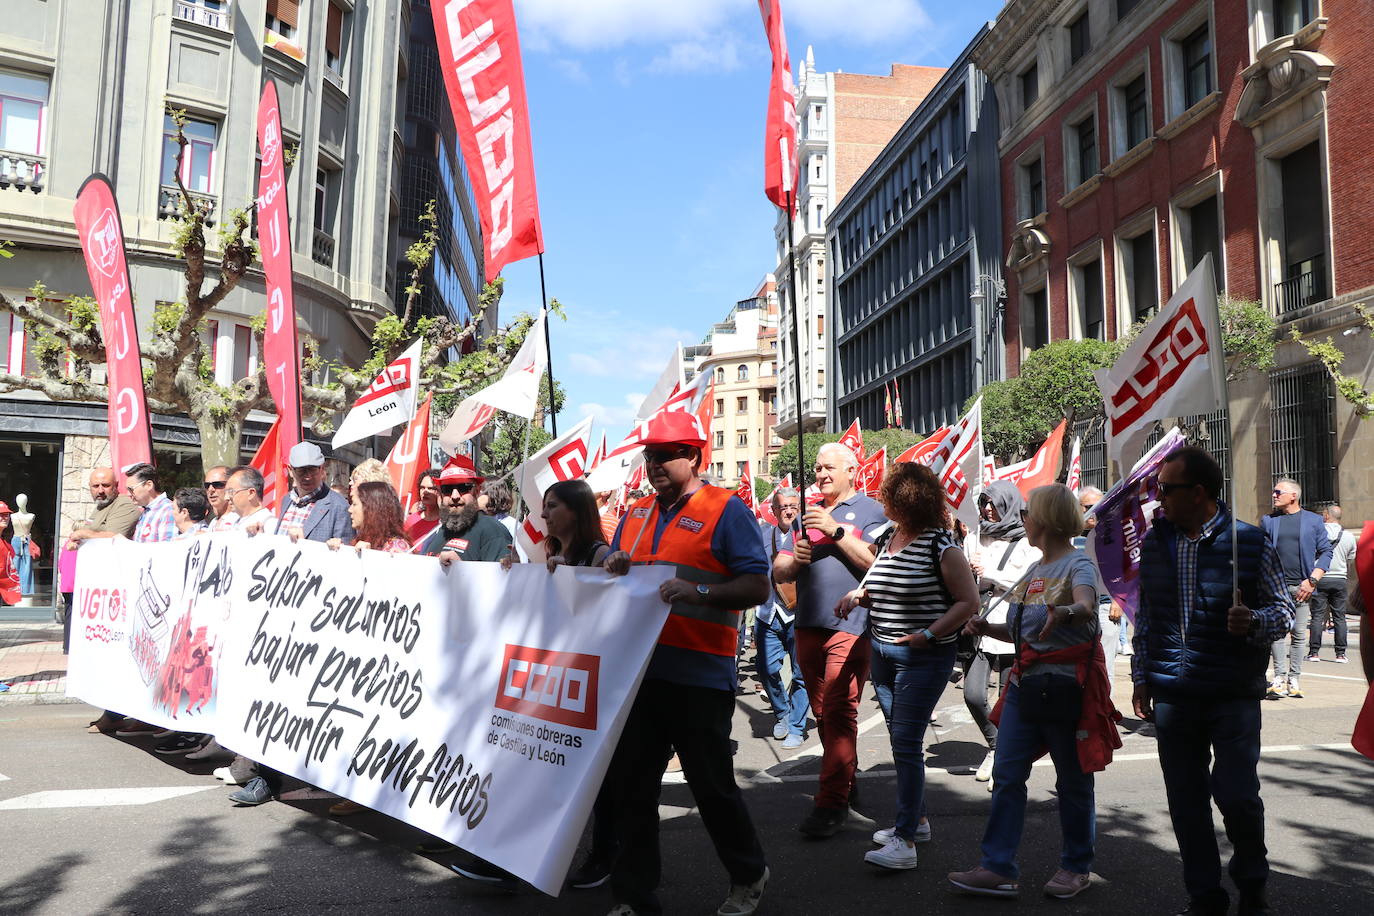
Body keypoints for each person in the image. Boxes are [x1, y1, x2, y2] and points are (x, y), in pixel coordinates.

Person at [601, 411, 770, 916]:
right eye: (649, 455)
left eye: (665, 455)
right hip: (639, 677)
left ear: (694, 456)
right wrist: (612, 567)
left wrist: (697, 590)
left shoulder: (727, 509)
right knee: (633, 790)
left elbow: (757, 586)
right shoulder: (632, 516)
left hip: (700, 675)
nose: (653, 464)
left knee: (711, 788)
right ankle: (633, 894)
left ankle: (748, 873)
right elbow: (613, 580)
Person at [1130, 448, 1294, 916]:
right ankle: (1205, 896)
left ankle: (1252, 882)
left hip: (1231, 692)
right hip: (1173, 693)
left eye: (1166, 490)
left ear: (1198, 493)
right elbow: (1146, 617)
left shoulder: (1250, 543)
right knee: (1186, 803)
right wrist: (1142, 675)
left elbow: (1283, 611)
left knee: (1237, 795)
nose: (1159, 499)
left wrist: (1255, 620)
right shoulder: (1156, 542)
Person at [948, 484, 1115, 900]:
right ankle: (997, 867)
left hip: (1064, 689)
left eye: (1029, 512)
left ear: (1047, 520)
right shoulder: (1034, 569)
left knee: (1073, 782)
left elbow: (1086, 606)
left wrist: (1068, 611)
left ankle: (1076, 867)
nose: (1023, 519)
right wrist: (987, 628)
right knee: (1007, 776)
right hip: (1025, 686)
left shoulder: (1078, 564)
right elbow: (1023, 631)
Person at [458, 479, 619, 889]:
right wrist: (518, 577)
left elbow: (612, 606)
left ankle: (606, 856)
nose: (543, 515)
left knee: (597, 781)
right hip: (551, 681)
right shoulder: (552, 552)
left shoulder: (601, 555)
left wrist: (591, 574)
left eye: (551, 506)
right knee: (532, 769)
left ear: (576, 511)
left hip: (585, 686)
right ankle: (511, 859)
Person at [835, 463, 978, 870]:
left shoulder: (942, 547)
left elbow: (969, 603)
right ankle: (917, 820)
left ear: (907, 500)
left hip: (924, 657)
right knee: (905, 746)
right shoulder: (888, 537)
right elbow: (879, 580)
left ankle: (904, 842)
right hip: (883, 652)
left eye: (888, 495)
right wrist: (857, 596)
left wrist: (928, 635)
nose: (881, 501)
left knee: (905, 744)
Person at [773, 441, 887, 837]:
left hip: (851, 625)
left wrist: (835, 530)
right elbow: (780, 569)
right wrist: (795, 559)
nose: (820, 474)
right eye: (817, 468)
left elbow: (876, 561)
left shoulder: (873, 512)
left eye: (828, 468)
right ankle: (846, 781)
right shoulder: (808, 515)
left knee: (839, 712)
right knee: (822, 714)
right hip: (807, 624)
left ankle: (831, 804)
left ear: (852, 471)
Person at [325, 480, 415, 816]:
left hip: (385, 660)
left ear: (373, 509)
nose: (349, 510)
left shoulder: (396, 550)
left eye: (355, 504)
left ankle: (370, 794)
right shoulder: (360, 544)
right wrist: (337, 556)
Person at [962, 482, 1040, 783]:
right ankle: (996, 745)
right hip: (980, 625)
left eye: (994, 503)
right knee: (973, 694)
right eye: (984, 502)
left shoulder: (1026, 541)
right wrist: (970, 573)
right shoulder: (975, 536)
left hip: (1010, 626)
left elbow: (1027, 583)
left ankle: (1005, 756)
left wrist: (990, 573)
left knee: (1007, 699)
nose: (988, 509)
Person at [1261, 478, 1332, 698]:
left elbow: (1326, 552)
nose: (1274, 495)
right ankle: (1279, 677)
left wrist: (1312, 581)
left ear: (1293, 495)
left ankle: (1295, 677)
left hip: (1303, 586)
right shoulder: (1268, 521)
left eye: (1278, 491)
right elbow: (1260, 552)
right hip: (1275, 587)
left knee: (1299, 633)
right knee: (1277, 633)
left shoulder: (1313, 520)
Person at [63, 467, 142, 664]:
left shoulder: (124, 504)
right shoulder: (99, 507)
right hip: (99, 586)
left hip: (117, 586)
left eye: (105, 485)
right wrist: (79, 541)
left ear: (116, 486)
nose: (100, 490)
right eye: (95, 486)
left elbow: (114, 536)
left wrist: (82, 534)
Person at [756, 487, 809, 750]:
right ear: (774, 511)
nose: (788, 510)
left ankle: (797, 726)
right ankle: (782, 713)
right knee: (767, 668)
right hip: (767, 613)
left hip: (800, 614)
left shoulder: (809, 535)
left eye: (793, 506)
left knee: (801, 674)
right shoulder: (763, 535)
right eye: (783, 507)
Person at [1075, 486, 1124, 691]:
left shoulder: (1112, 535)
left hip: (1105, 606)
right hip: (1074, 609)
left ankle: (1104, 715)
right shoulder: (1068, 535)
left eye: (1101, 506)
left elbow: (1123, 568)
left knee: (1104, 667)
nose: (1096, 511)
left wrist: (1118, 599)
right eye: (1089, 507)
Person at [420, 457, 513, 562]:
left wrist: (462, 568)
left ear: (477, 491)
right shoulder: (441, 531)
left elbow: (502, 577)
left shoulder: (493, 531)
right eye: (447, 489)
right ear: (441, 494)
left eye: (463, 488)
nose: (455, 496)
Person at [278, 442, 355, 543]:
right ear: (290, 470)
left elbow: (345, 552)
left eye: (313, 470)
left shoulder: (339, 507)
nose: (308, 476)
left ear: (322, 469)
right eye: (302, 470)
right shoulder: (286, 500)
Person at [1308, 504, 1355, 663]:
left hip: (1320, 578)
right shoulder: (1348, 536)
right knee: (1340, 617)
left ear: (1326, 515)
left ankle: (1314, 653)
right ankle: (1340, 654)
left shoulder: (1316, 533)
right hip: (1340, 579)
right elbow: (1351, 558)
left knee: (1317, 616)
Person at [126, 463, 178, 545]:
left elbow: (167, 550)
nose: (128, 494)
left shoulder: (168, 511)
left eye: (131, 489)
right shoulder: (147, 510)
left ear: (149, 485)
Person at [404, 468, 443, 545]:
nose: (425, 491)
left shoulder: (446, 523)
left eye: (431, 488)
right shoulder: (411, 521)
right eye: (422, 488)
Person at [203, 465, 238, 531]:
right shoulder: (213, 522)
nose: (211, 489)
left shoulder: (240, 521)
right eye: (207, 485)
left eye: (218, 484)